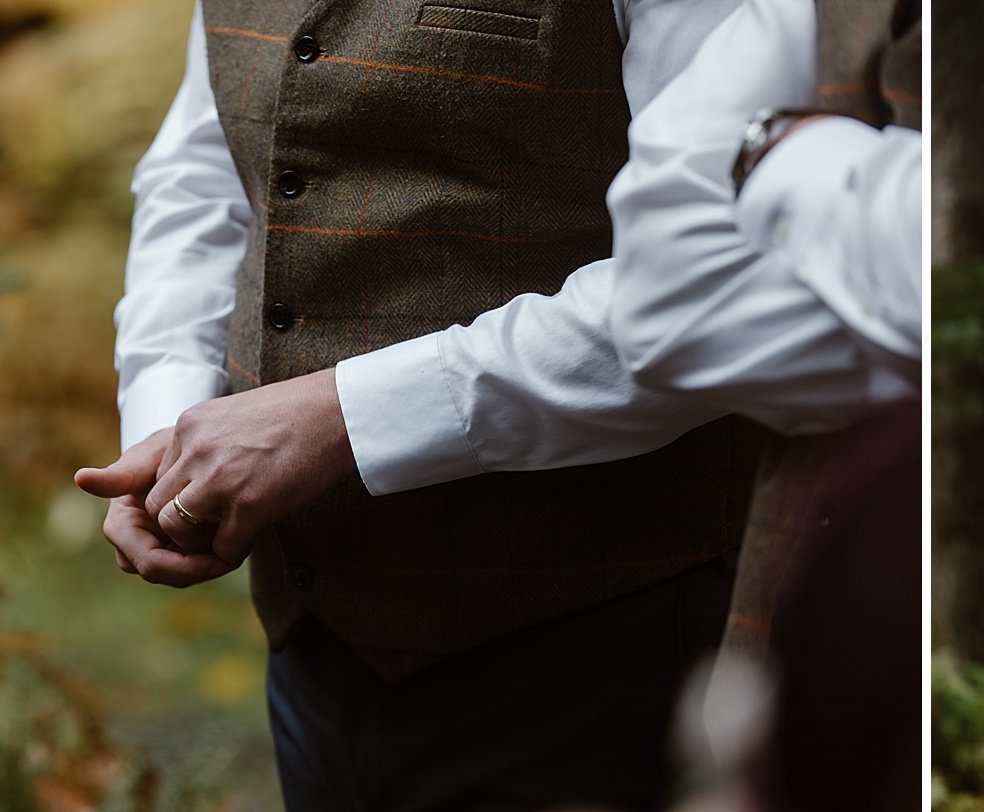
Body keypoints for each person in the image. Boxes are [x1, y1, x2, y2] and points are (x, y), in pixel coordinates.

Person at [74, 2, 770, 810]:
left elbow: (710, 285)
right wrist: (170, 427)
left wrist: (342, 416)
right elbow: (204, 171)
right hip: (315, 642)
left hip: (605, 638)